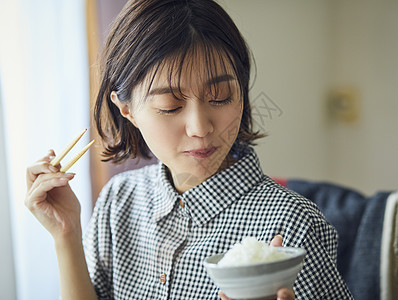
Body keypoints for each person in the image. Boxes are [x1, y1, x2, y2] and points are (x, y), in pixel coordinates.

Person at [25, 0, 353, 299]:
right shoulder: (117, 201)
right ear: (127, 109)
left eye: (221, 96)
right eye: (169, 106)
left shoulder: (293, 225)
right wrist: (65, 234)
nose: (200, 128)